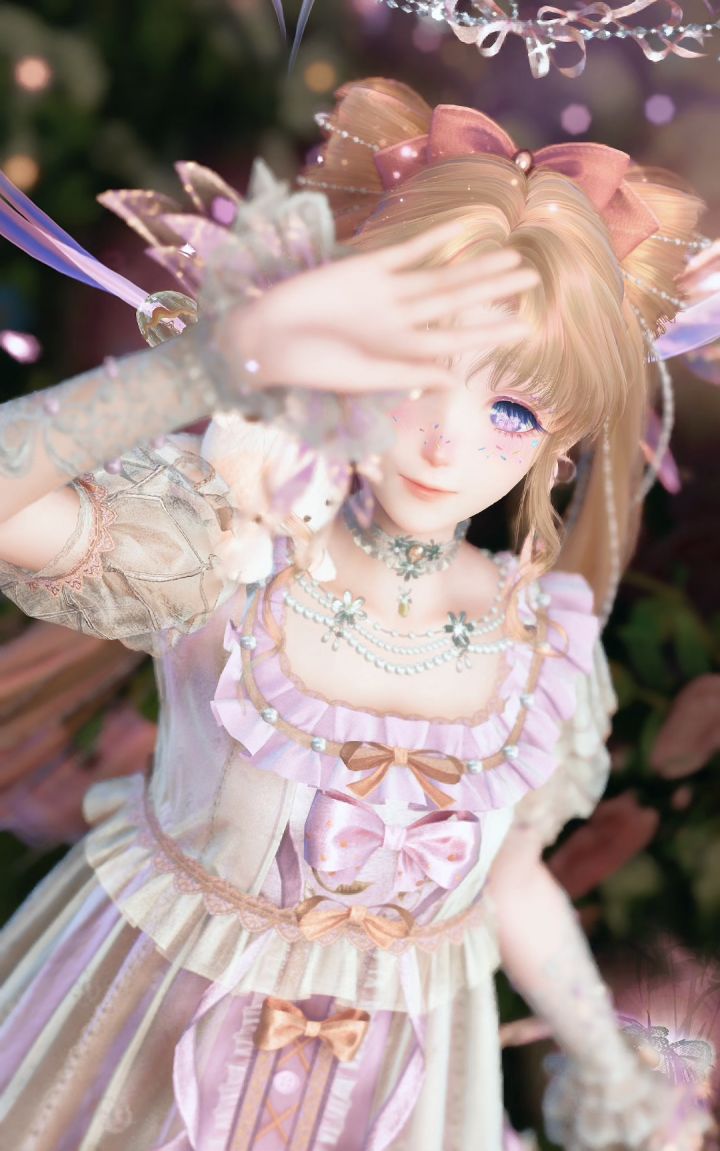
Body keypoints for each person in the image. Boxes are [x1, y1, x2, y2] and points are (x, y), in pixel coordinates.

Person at [0, 75, 714, 1150]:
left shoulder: (546, 642)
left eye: (509, 407)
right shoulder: (231, 545)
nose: (445, 440)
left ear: (560, 440)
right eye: (414, 372)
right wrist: (209, 363)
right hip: (132, 1061)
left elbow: (513, 883)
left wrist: (610, 1068)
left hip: (397, 1100)